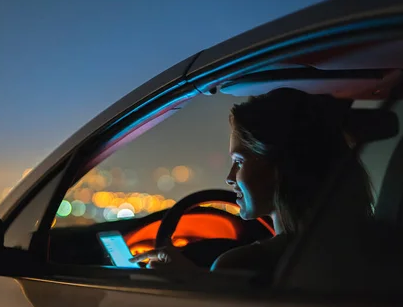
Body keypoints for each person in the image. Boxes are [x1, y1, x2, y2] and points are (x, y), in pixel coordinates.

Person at [130, 88, 374, 280]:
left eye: (239, 160)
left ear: (281, 167)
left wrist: (190, 284)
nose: (230, 176)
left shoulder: (243, 265)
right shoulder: (368, 247)